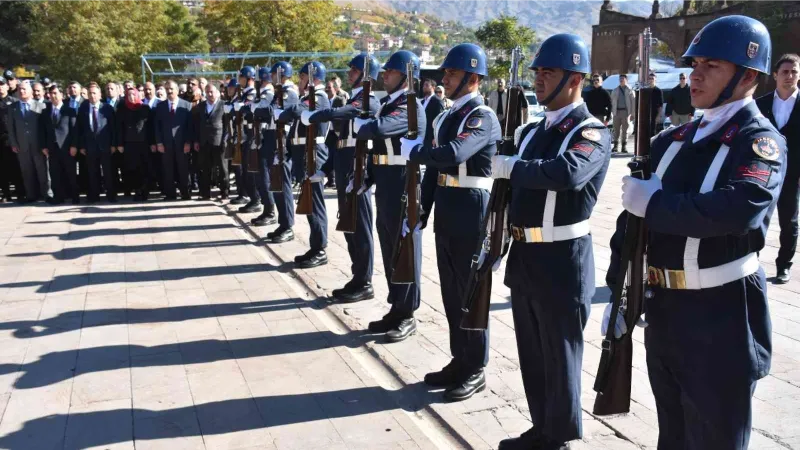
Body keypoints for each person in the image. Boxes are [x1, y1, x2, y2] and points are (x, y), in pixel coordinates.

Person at [604, 15, 783, 449]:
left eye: (712, 65)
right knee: (675, 433)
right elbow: (630, 224)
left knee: (717, 437)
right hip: (664, 308)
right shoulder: (671, 140)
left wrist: (656, 204)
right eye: (695, 63)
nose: (695, 74)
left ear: (749, 76)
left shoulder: (759, 140)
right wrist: (619, 287)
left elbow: (739, 208)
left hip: (720, 315)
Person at [492, 33, 611, 450]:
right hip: (526, 254)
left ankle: (559, 437)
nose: (540, 79)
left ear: (575, 79)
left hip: (563, 257)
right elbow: (506, 191)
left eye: (550, 72)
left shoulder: (590, 131)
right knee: (533, 352)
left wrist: (512, 167)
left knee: (560, 356)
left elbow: (567, 172)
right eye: (538, 72)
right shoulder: (529, 131)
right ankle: (541, 426)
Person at [403, 43, 500, 401]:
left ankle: (475, 367)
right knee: (450, 292)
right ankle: (460, 358)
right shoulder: (445, 116)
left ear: (473, 78)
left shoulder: (482, 116)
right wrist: (421, 211)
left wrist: (416, 151)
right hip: (447, 205)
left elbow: (455, 154)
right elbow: (434, 171)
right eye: (445, 73)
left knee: (470, 293)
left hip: (472, 208)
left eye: (452, 73)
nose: (445, 78)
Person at [354, 50, 426, 342]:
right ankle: (396, 306)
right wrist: (366, 175)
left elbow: (380, 129)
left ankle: (408, 312)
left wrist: (362, 124)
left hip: (402, 182)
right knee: (389, 246)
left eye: (390, 72)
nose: (384, 76)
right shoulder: (389, 104)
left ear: (406, 76)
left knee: (404, 248)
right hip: (385, 181)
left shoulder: (410, 107)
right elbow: (377, 147)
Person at [305, 53, 379, 302]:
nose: (349, 74)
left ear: (367, 75)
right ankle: (357, 276)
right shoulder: (355, 98)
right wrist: (325, 170)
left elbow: (346, 113)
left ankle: (365, 280)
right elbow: (334, 141)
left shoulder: (368, 101)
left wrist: (319, 115)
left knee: (361, 229)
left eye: (355, 70)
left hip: (358, 169)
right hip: (344, 167)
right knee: (349, 227)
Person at [278, 61, 331, 269]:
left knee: (315, 204)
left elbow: (298, 111)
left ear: (314, 78)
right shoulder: (307, 98)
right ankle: (314, 245)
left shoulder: (319, 97)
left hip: (314, 155)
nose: (299, 81)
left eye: (302, 77)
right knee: (308, 203)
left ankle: (320, 248)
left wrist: (286, 111)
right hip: (303, 155)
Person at [756, 53, 800, 284]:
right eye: (785, 71)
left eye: (794, 72)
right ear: (775, 75)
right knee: (754, 218)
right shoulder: (760, 104)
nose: (789, 76)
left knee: (790, 222)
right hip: (762, 173)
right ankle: (750, 262)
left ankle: (784, 265)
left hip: (793, 175)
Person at [253, 62, 300, 243]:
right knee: (277, 185)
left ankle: (288, 225)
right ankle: (283, 223)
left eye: (274, 73)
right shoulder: (280, 92)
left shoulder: (289, 93)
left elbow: (273, 112)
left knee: (283, 185)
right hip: (274, 138)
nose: (271, 76)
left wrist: (256, 109)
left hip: (283, 141)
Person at [73, 82, 117, 203]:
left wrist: (114, 144)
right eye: (90, 93)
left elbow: (113, 128)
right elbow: (79, 128)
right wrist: (81, 145)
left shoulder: (107, 108)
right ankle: (94, 195)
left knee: (108, 172)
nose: (92, 96)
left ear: (100, 94)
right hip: (89, 146)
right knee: (92, 172)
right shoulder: (83, 108)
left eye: (94, 93)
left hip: (106, 145)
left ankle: (111, 195)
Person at [7, 81, 50, 203]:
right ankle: (31, 194)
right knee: (27, 171)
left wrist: (45, 144)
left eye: (24, 89)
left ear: (31, 91)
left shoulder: (39, 106)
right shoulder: (13, 107)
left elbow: (44, 127)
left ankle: (46, 193)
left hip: (38, 145)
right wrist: (14, 143)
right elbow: (11, 127)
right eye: (20, 89)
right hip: (21, 145)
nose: (21, 91)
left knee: (42, 171)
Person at [247, 66, 276, 225]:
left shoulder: (269, 94)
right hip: (259, 137)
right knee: (259, 176)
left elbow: (262, 110)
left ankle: (270, 211)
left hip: (265, 138)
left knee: (264, 177)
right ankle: (266, 208)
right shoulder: (263, 94)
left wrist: (253, 106)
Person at [153, 80, 192, 200]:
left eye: (171, 89)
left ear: (177, 90)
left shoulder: (186, 105)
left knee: (183, 168)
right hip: (166, 143)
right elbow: (157, 126)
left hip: (182, 143)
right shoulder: (160, 106)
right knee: (167, 169)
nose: (169, 91)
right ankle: (170, 194)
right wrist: (159, 142)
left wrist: (188, 142)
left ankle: (185, 193)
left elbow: (190, 126)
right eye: (167, 89)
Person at [43, 84, 80, 204]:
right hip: (52, 148)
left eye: (55, 93)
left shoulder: (70, 111)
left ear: (62, 95)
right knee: (55, 174)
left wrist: (74, 145)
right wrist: (43, 146)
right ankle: (58, 197)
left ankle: (75, 196)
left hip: (67, 147)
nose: (53, 96)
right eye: (51, 93)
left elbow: (74, 130)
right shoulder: (45, 111)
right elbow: (42, 130)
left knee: (70, 173)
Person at [116, 87, 154, 201]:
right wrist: (120, 143)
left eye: (134, 95)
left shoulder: (145, 108)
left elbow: (150, 127)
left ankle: (144, 191)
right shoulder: (122, 109)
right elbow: (119, 128)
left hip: (144, 144)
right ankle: (136, 191)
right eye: (129, 95)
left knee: (145, 168)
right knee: (132, 168)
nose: (132, 97)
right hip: (129, 144)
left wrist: (153, 143)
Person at [192, 84, 226, 200]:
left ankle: (224, 192)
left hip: (218, 141)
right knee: (205, 169)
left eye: (211, 92)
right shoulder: (200, 107)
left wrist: (225, 141)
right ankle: (205, 193)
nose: (209, 94)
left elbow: (227, 125)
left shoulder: (223, 105)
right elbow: (196, 125)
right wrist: (196, 140)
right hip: (204, 142)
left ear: (217, 92)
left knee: (222, 168)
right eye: (207, 92)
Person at [0, 76, 23, 202]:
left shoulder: (14, 102)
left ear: (7, 86)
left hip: (12, 139)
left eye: (2, 84)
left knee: (16, 167)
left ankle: (20, 192)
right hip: (0, 140)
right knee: (2, 169)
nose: (0, 87)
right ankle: (5, 193)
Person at [611, 73, 635, 153]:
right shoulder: (615, 90)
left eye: (623, 79)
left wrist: (633, 114)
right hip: (616, 112)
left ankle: (624, 147)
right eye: (620, 79)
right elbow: (612, 102)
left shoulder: (630, 90)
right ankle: (615, 146)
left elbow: (633, 103)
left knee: (625, 130)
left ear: (626, 80)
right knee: (616, 130)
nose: (621, 81)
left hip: (626, 113)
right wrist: (612, 113)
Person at [420, 78, 445, 148]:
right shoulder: (422, 102)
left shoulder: (437, 101)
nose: (424, 87)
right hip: (421, 135)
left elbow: (440, 119)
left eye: (427, 85)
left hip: (431, 137)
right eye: (423, 85)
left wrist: (436, 137)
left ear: (433, 87)